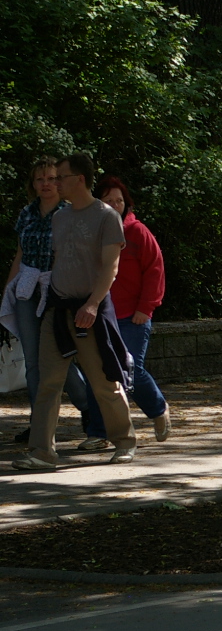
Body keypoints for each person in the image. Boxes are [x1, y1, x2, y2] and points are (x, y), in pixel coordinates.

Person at [12, 153, 136, 471]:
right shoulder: (60, 218)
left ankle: (125, 442)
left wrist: (93, 304)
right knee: (47, 383)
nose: (55, 182)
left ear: (78, 179)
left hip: (89, 311)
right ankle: (42, 452)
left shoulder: (106, 216)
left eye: (61, 177)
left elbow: (111, 267)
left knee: (103, 382)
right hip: (58, 309)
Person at [1, 157, 96, 445]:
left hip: (58, 292)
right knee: (33, 362)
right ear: (33, 183)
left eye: (52, 178)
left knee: (60, 357)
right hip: (27, 292)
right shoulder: (27, 214)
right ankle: (40, 426)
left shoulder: (70, 214)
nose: (46, 184)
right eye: (40, 179)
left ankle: (90, 410)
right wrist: (7, 293)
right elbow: (20, 254)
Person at [80, 177, 170, 441]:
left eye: (119, 200)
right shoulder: (91, 233)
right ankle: (98, 433)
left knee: (130, 370)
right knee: (97, 374)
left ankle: (158, 409)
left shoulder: (138, 232)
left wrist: (146, 308)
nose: (115, 205)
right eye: (109, 201)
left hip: (133, 316)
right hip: (99, 315)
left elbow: (155, 271)